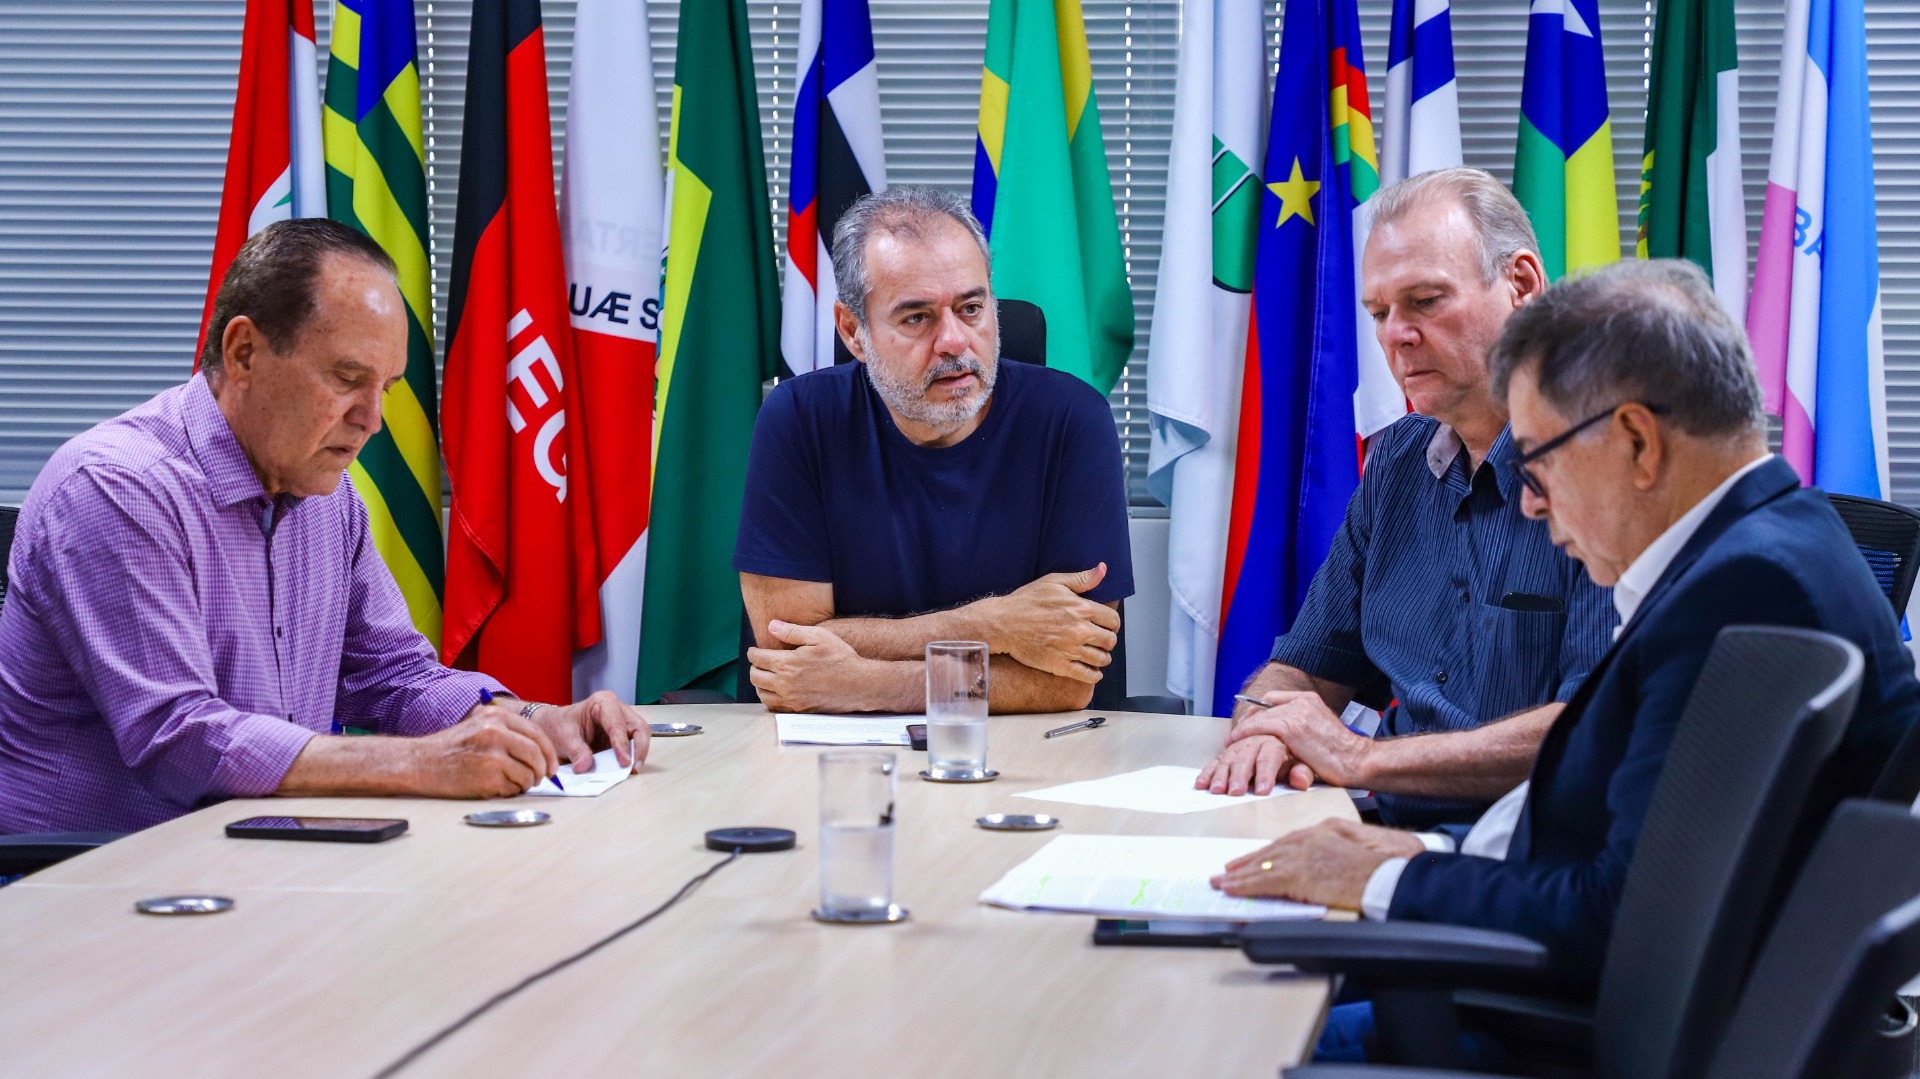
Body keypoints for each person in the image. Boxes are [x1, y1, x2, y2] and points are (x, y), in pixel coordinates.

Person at [1211, 259, 1920, 1059]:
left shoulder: (1749, 592)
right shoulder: (1770, 545)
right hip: (1547, 964)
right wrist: (1427, 852)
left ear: (1638, 443)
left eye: (1538, 461)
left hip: (1555, 1024)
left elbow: (1620, 919)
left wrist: (1381, 879)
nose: (1528, 499)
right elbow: (1632, 851)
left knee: (1220, 1044)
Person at [0, 219, 649, 835]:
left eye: (385, 387)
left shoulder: (324, 495)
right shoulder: (117, 488)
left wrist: (536, 721)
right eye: (347, 378)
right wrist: (420, 763)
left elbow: (394, 676)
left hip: (262, 861)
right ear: (245, 352)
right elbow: (180, 737)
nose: (372, 419)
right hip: (98, 879)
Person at [1197, 168, 1613, 830]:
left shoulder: (1608, 470)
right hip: (1377, 824)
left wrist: (1359, 758)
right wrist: (1265, 729)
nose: (1396, 335)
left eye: (1425, 300)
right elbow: (1303, 670)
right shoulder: (1395, 462)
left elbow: (1597, 728)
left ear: (1522, 284)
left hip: (1515, 852)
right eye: (1380, 313)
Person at [734, 186, 1133, 714]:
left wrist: (867, 684)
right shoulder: (798, 420)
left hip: (1026, 750)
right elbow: (788, 655)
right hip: (831, 752)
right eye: (916, 317)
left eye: (971, 308)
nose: (954, 341)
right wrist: (992, 626)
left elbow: (1069, 681)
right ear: (853, 332)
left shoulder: (1073, 421)